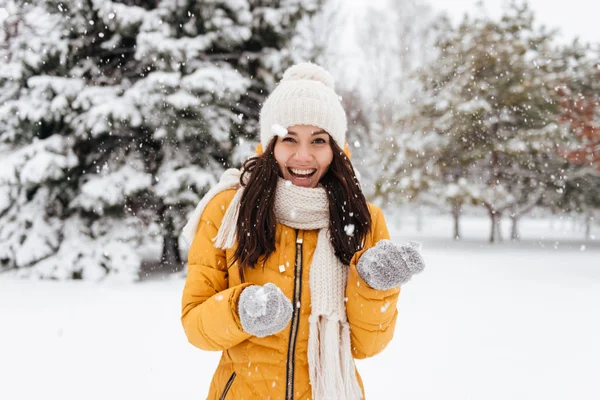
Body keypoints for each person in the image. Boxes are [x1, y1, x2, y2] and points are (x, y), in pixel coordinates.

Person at [180, 62, 425, 400]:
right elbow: (195, 327)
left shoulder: (362, 218)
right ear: (269, 145)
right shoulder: (228, 210)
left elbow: (367, 346)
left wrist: (373, 286)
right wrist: (240, 310)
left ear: (336, 148)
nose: (303, 156)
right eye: (289, 139)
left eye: (319, 140)